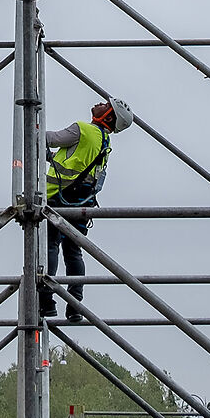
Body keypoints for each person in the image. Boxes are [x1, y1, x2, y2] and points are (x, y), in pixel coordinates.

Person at [42, 98, 130, 322]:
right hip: (82, 203)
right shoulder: (104, 141)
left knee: (50, 245)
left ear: (109, 116)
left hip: (57, 198)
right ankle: (75, 305)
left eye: (105, 105)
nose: (100, 103)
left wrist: (33, 125)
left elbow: (46, 138)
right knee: (73, 251)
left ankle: (46, 300)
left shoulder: (83, 129)